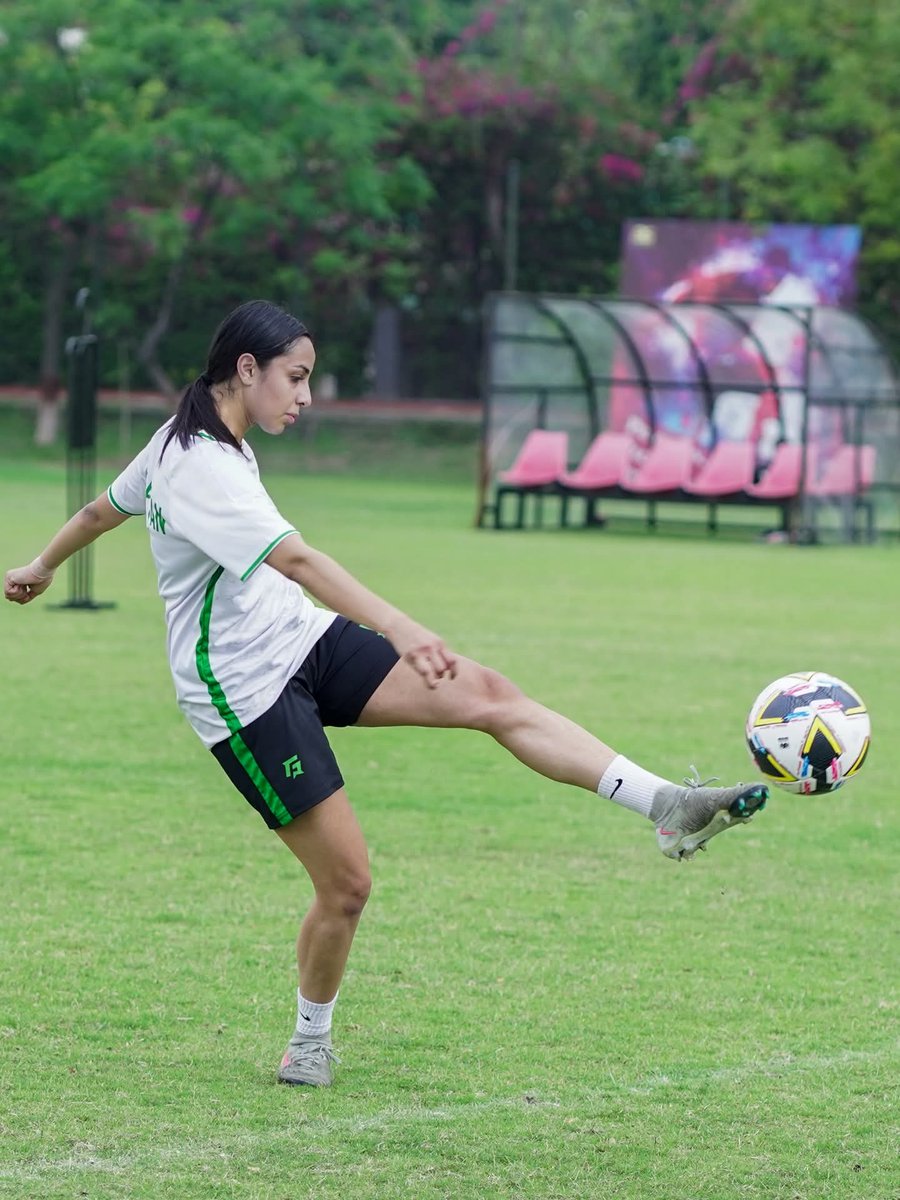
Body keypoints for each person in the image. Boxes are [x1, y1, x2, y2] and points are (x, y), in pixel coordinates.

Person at [4, 300, 768, 1089]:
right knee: (347, 886)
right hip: (242, 693)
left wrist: (42, 564)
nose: (306, 396)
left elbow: (101, 510)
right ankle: (308, 1041)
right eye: (296, 378)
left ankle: (667, 805)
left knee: (490, 696)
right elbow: (298, 560)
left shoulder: (196, 437)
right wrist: (400, 626)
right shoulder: (198, 465)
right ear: (246, 369)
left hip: (299, 637)